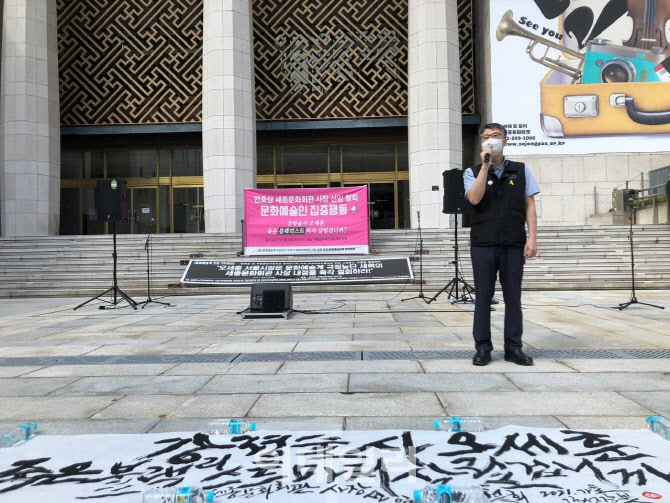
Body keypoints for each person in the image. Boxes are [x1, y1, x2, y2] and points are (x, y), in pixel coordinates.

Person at [463, 123, 540, 366]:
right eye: (486, 137)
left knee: (513, 297)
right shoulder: (472, 171)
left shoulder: (521, 170)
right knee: (483, 297)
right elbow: (474, 198)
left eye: (495, 136)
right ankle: (483, 347)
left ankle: (513, 347)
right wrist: (485, 166)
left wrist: (532, 238)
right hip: (483, 243)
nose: (491, 140)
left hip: (513, 242)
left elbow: (529, 205)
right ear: (481, 144)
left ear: (505, 141)